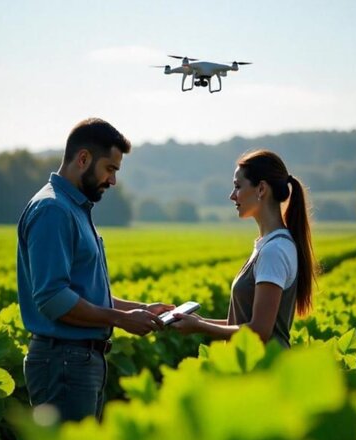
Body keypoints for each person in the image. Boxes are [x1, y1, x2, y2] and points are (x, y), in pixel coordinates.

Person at [17, 118, 174, 422]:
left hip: (77, 361)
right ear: (83, 159)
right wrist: (122, 319)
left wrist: (140, 310)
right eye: (110, 169)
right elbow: (54, 299)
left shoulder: (72, 208)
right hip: (64, 361)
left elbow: (82, 294)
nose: (113, 181)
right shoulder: (53, 210)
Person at [170, 149, 316, 347]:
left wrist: (200, 327)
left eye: (237, 187)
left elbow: (259, 331)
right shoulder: (270, 245)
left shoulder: (274, 251)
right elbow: (242, 324)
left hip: (265, 372)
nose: (232, 196)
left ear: (261, 189)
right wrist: (199, 322)